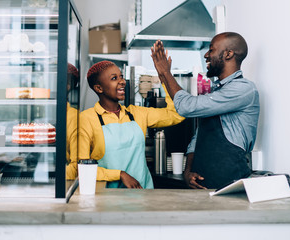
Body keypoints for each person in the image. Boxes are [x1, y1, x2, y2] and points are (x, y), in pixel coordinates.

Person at [150, 32, 260, 189]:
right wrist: (187, 171)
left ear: (228, 54)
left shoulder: (243, 89)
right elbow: (198, 137)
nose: (206, 55)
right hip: (202, 187)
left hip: (230, 187)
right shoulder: (217, 91)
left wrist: (166, 73)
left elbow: (186, 107)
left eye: (211, 49)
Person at [73, 61, 185, 189]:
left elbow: (177, 114)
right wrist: (119, 174)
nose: (122, 81)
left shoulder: (137, 113)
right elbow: (81, 168)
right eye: (114, 78)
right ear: (99, 88)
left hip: (142, 194)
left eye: (121, 76)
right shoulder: (87, 119)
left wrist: (165, 76)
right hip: (108, 199)